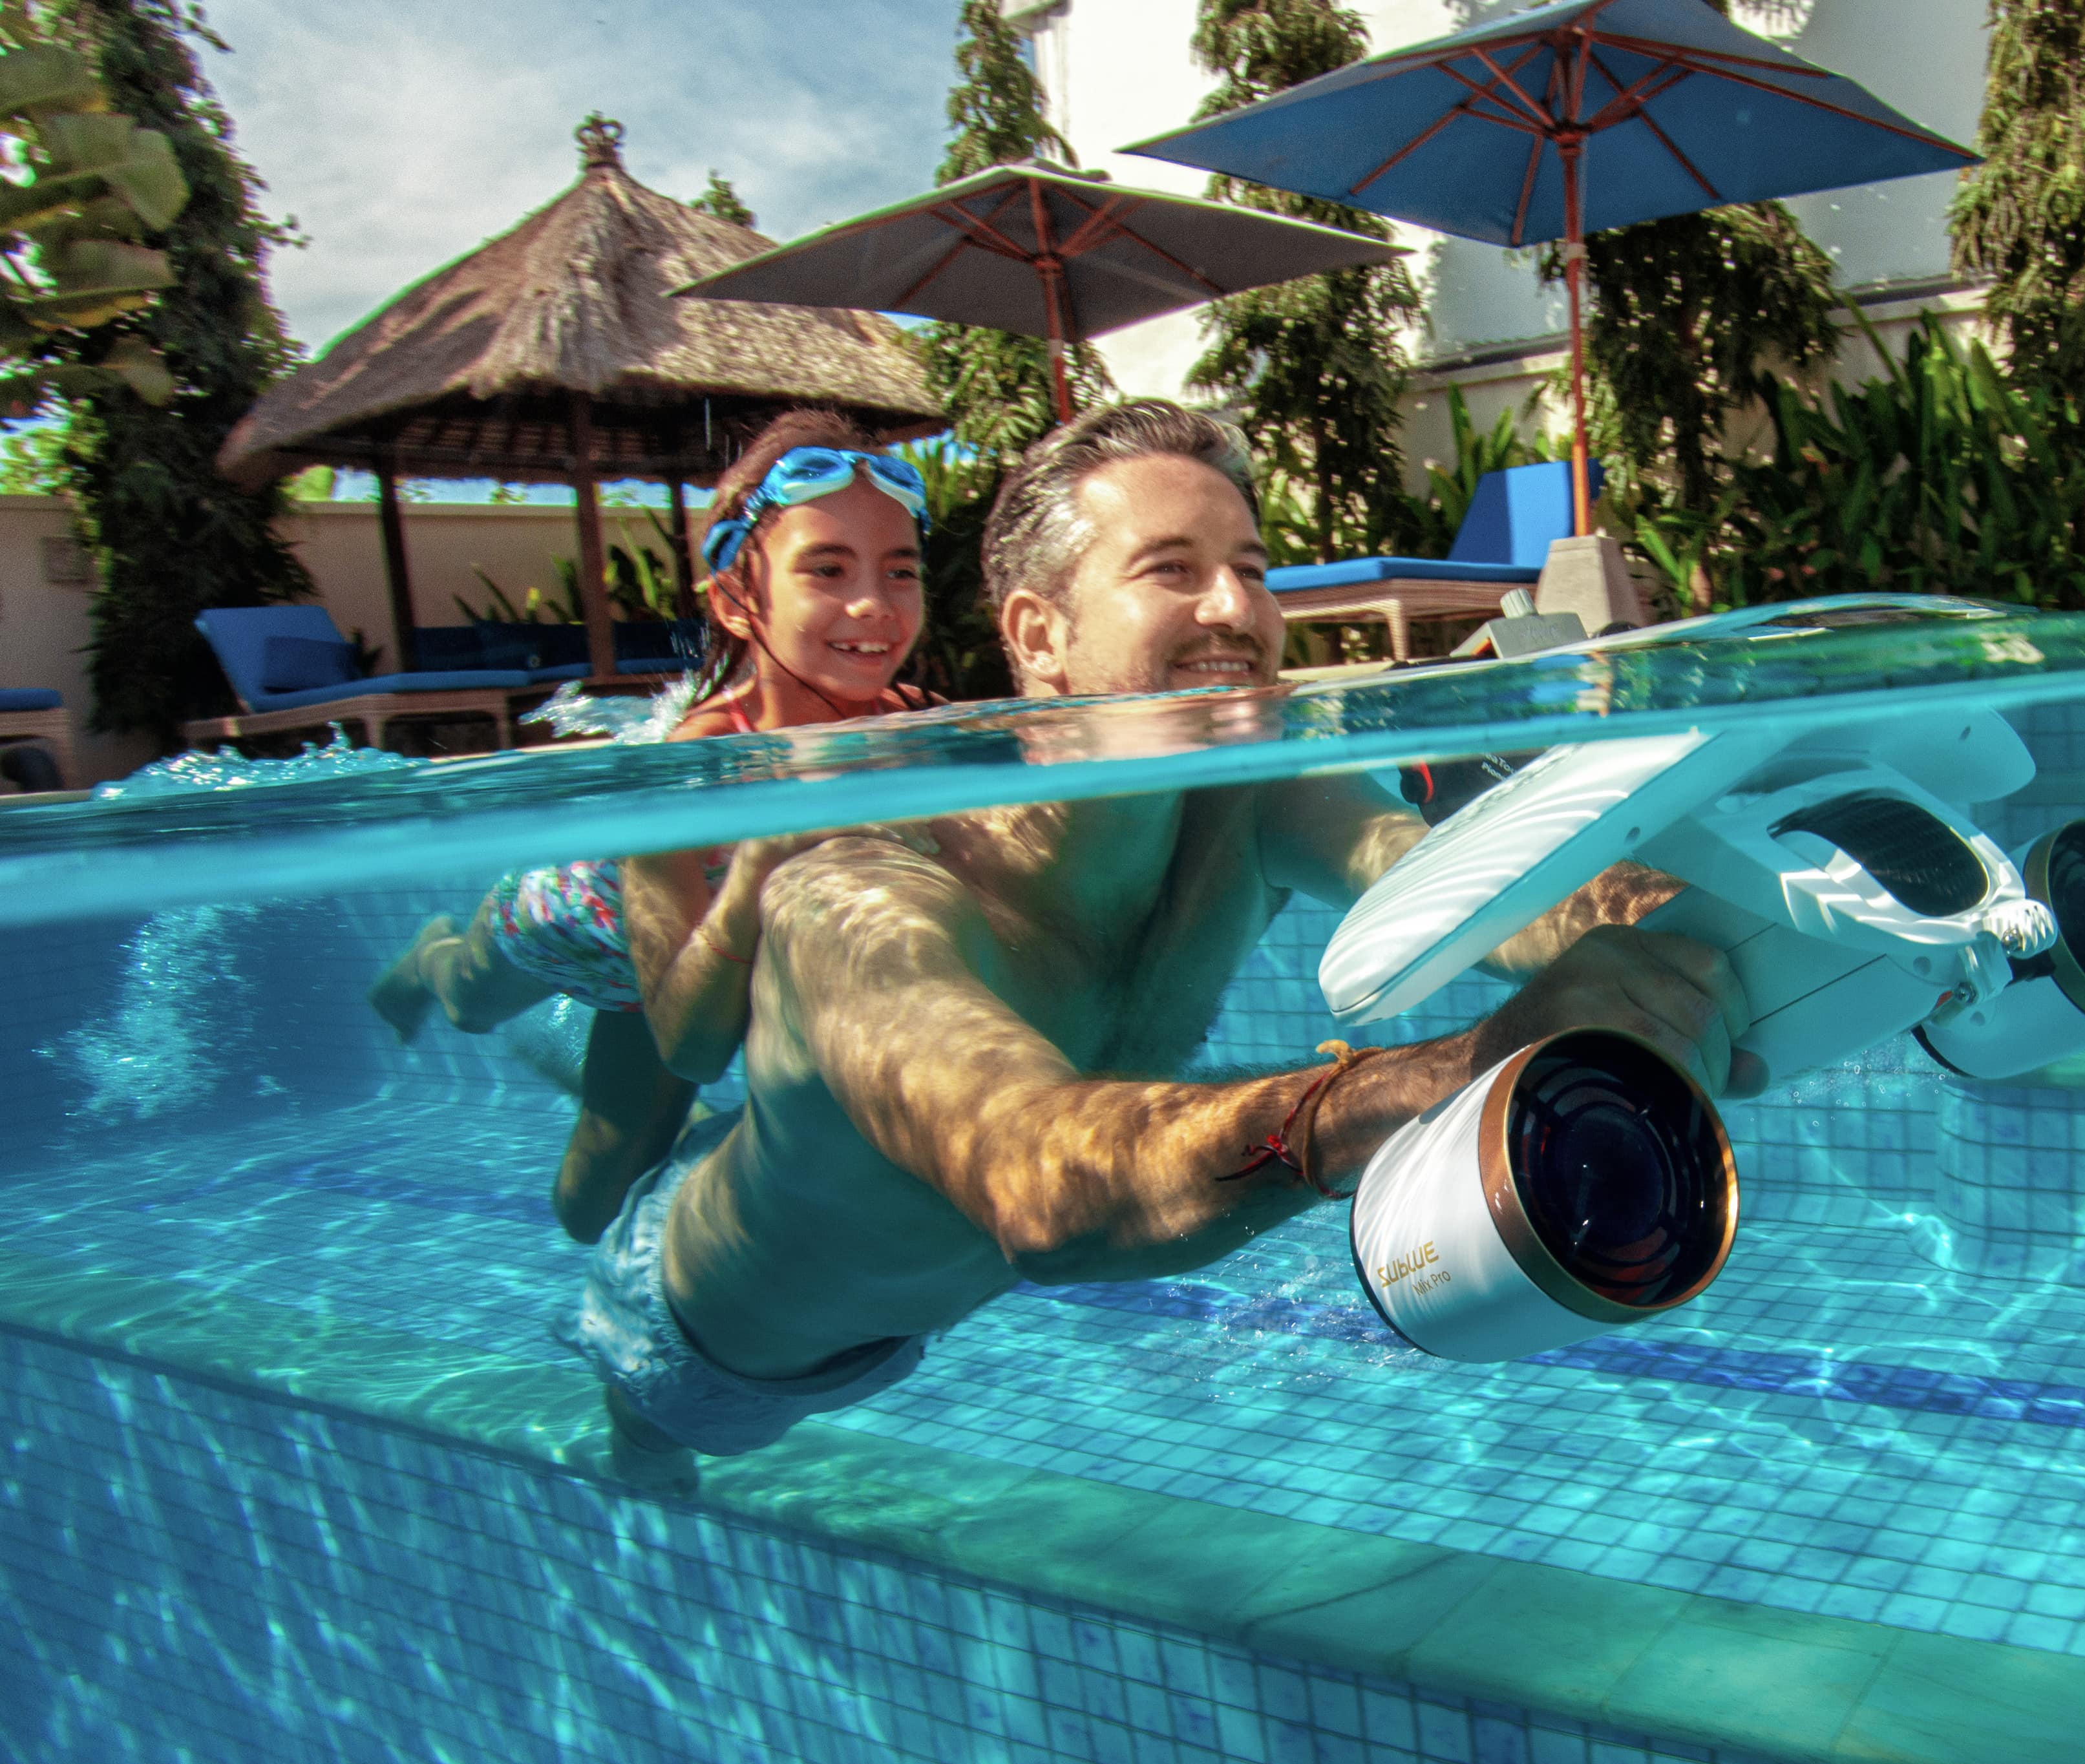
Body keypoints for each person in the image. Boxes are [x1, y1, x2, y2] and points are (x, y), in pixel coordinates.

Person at [571, 399, 1749, 1486]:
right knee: (644, 1470)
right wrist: (1464, 1067)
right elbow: (1041, 1189)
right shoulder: (866, 892)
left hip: (908, 1288)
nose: (1235, 612)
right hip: (718, 1338)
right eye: (1170, 573)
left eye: (1248, 570)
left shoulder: (1252, 796)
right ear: (1037, 634)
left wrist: (1704, 924)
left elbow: (1473, 886)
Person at [366, 410, 938, 1241]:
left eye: (900, 570)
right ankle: (430, 953)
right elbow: (698, 1041)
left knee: (592, 1205)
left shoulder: (920, 724)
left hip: (671, 974)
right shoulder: (693, 768)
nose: (872, 604)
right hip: (575, 919)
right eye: (827, 568)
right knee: (468, 1003)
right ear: (740, 600)